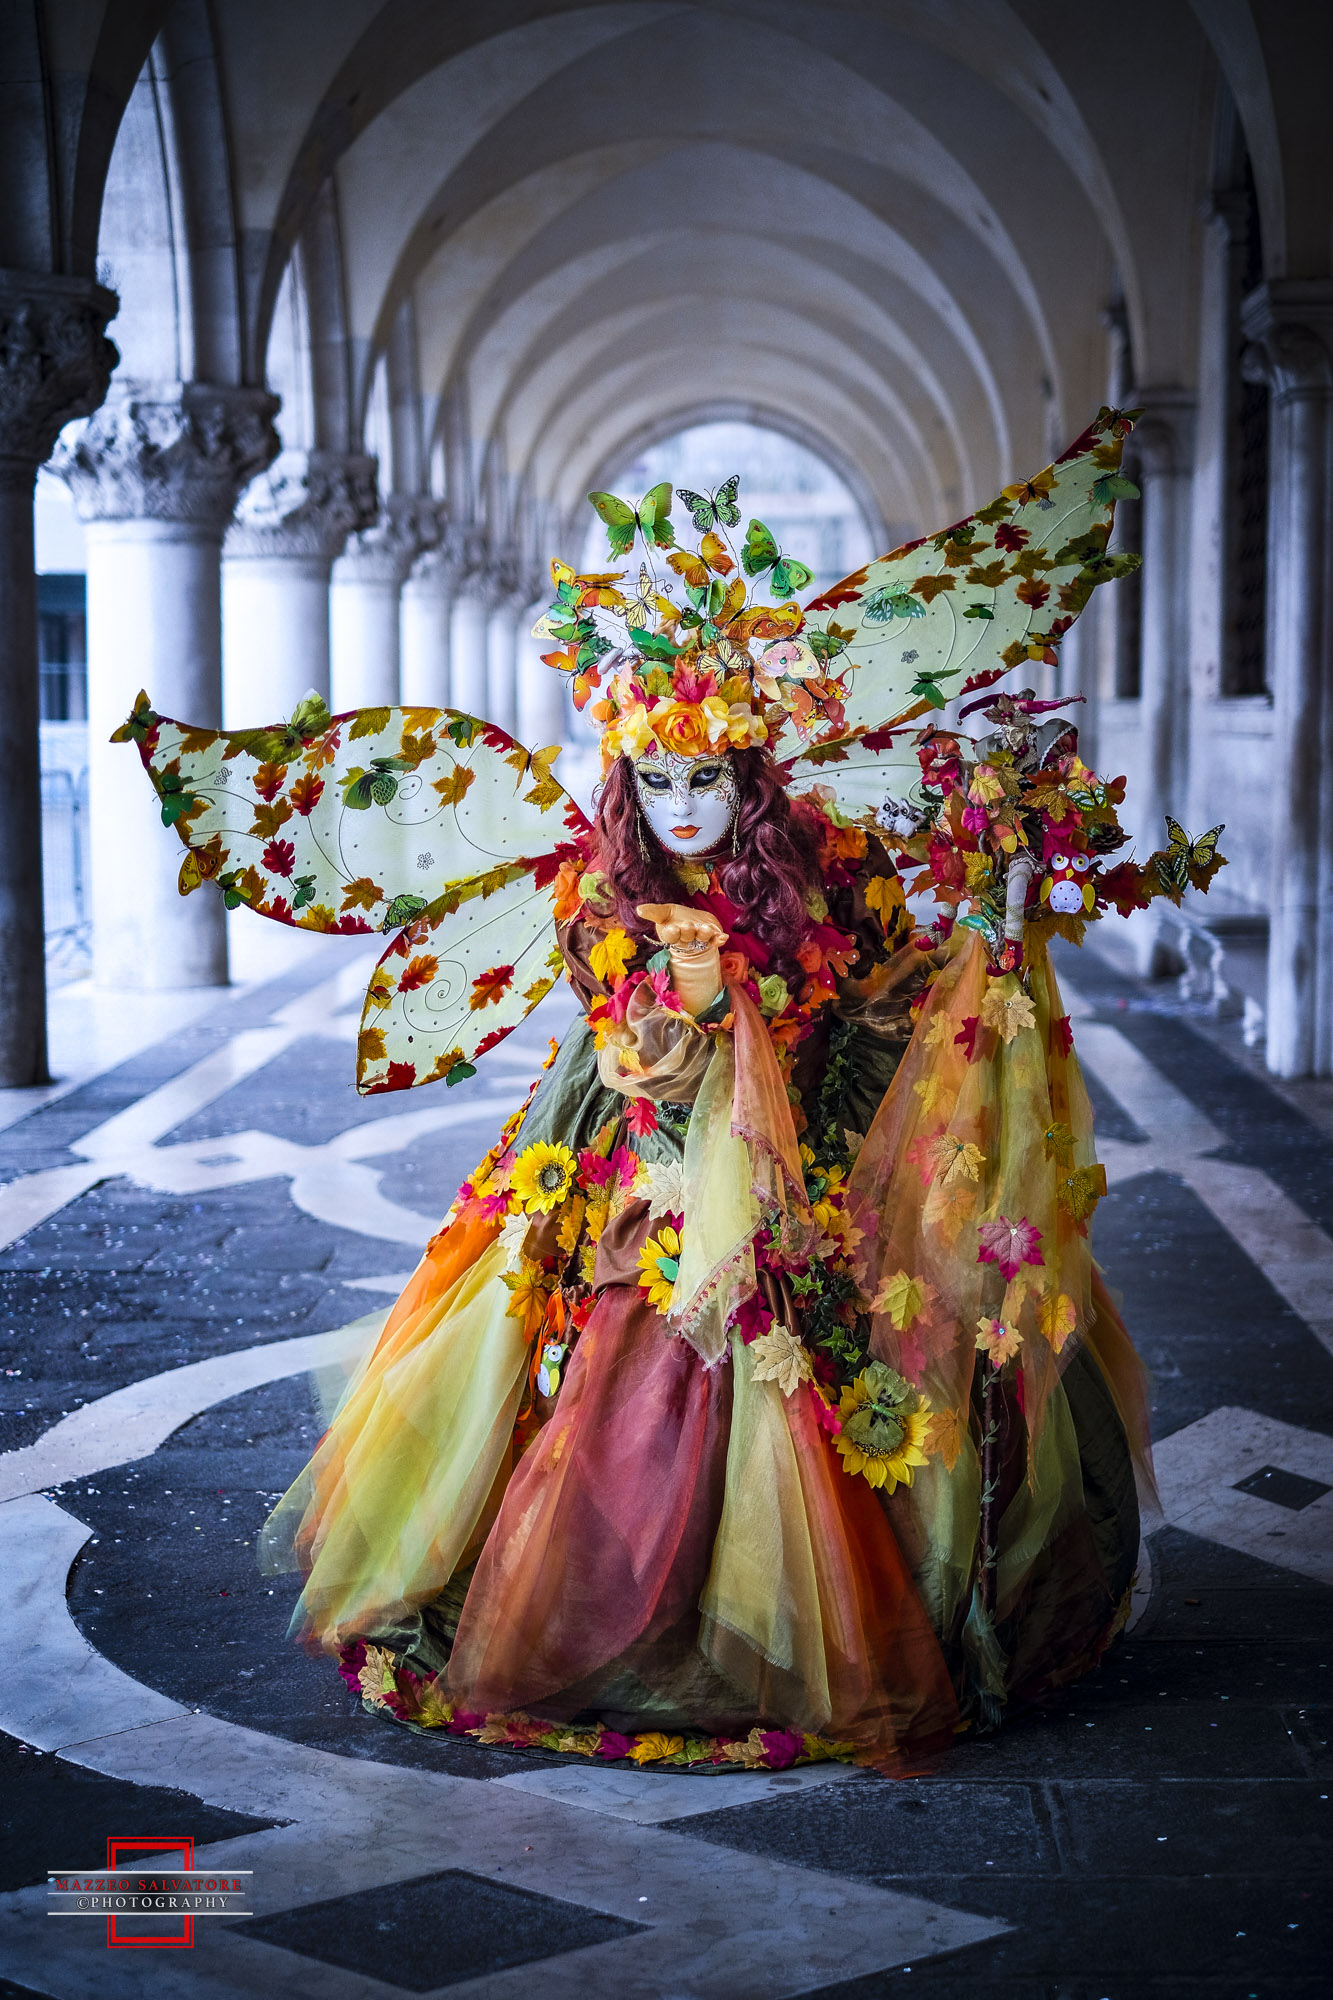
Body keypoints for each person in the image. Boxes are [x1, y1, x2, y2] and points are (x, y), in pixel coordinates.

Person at [117, 410, 1223, 1771]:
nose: (685, 807)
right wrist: (680, 1033)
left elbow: (894, 985)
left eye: (707, 777)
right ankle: (625, 1615)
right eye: (659, 777)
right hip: (648, 1171)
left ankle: (848, 1612)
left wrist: (992, 911)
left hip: (817, 1165)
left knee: (870, 1360)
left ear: (748, 773)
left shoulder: (828, 866)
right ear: (627, 771)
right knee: (646, 1372)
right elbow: (626, 1054)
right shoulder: (605, 886)